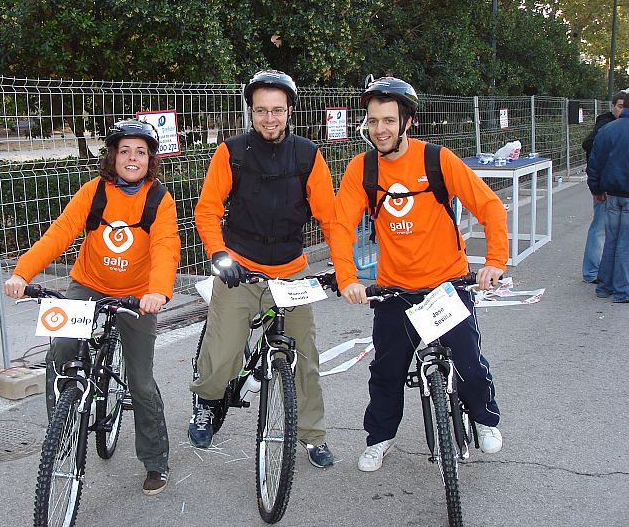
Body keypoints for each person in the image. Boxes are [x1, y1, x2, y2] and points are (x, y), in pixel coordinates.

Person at [329, 77, 508, 472]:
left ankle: (483, 416)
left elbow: (490, 206)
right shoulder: (363, 168)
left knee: (469, 361)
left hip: (447, 285)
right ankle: (380, 437)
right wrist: (347, 278)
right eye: (373, 121)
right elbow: (341, 226)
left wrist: (495, 260)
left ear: (407, 121)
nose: (380, 129)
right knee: (386, 372)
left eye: (389, 120)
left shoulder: (438, 160)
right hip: (395, 291)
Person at [4, 119, 180, 495]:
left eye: (141, 152)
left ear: (151, 159)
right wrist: (22, 273)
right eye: (125, 151)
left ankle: (154, 461)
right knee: (61, 353)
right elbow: (60, 233)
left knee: (141, 382)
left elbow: (166, 248)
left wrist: (158, 292)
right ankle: (63, 430)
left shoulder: (158, 199)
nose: (132, 158)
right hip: (87, 285)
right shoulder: (94, 192)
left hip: (137, 295)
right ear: (112, 156)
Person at [188, 69, 338, 468]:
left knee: (304, 356)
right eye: (261, 111)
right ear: (250, 113)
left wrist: (344, 269)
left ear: (290, 111)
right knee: (222, 352)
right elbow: (207, 210)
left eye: (277, 111)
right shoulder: (231, 152)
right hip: (240, 270)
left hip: (290, 274)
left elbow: (331, 219)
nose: (269, 119)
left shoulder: (308, 155)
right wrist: (221, 257)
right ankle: (206, 403)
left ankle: (312, 435)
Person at [581, 91, 626, 283]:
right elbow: (589, 145)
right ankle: (592, 272)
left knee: (612, 234)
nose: (622, 110)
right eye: (619, 106)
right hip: (606, 188)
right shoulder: (605, 125)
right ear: (613, 106)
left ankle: (606, 277)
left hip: (609, 186)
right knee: (602, 230)